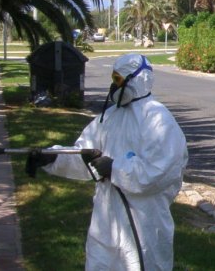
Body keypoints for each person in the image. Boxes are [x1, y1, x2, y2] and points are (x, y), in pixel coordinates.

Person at [25, 53, 188, 271]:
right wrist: (52, 157)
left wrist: (114, 168)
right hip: (105, 218)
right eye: (114, 79)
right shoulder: (109, 116)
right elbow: (85, 153)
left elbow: (159, 171)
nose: (114, 86)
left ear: (137, 79)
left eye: (119, 80)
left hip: (144, 220)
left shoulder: (157, 119)